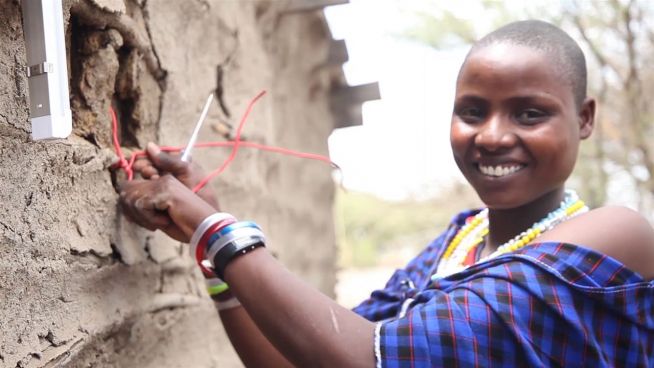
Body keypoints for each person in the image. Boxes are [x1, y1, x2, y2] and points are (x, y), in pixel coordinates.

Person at [119, 20, 654, 367]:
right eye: (472, 111)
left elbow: (365, 358)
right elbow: (308, 356)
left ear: (584, 119)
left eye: (530, 113)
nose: (491, 134)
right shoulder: (459, 242)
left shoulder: (616, 237)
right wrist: (211, 246)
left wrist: (218, 232)